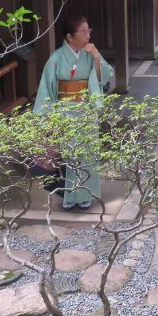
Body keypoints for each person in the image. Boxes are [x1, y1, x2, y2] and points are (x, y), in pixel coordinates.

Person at [33, 14, 114, 210]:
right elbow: (46, 90)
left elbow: (103, 78)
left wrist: (96, 57)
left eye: (88, 31)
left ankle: (86, 194)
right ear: (70, 36)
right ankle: (68, 196)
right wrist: (47, 120)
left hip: (86, 111)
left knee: (87, 154)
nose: (88, 35)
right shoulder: (56, 58)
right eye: (83, 32)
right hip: (64, 112)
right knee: (68, 156)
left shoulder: (90, 53)